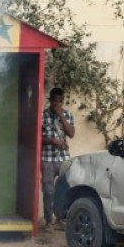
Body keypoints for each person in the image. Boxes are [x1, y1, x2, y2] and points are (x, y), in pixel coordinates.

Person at [41, 87, 75, 230]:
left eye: (60, 101)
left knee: (64, 189)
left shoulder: (67, 114)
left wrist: (61, 115)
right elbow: (37, 137)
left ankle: (60, 218)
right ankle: (49, 220)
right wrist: (53, 141)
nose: (57, 104)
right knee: (48, 191)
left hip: (63, 158)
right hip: (47, 157)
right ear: (50, 100)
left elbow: (71, 134)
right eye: (55, 101)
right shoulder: (43, 115)